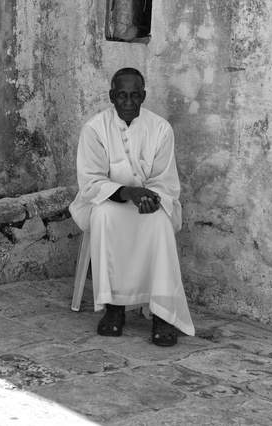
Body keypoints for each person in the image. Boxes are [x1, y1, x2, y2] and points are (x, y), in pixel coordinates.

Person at [69, 67, 195, 346]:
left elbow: (166, 181)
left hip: (149, 203)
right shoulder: (94, 129)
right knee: (104, 216)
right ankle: (114, 309)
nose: (128, 101)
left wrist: (151, 198)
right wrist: (129, 193)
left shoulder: (160, 128)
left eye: (135, 95)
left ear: (144, 96)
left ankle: (162, 312)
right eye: (122, 95)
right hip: (104, 201)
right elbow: (91, 182)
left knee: (160, 220)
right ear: (111, 96)